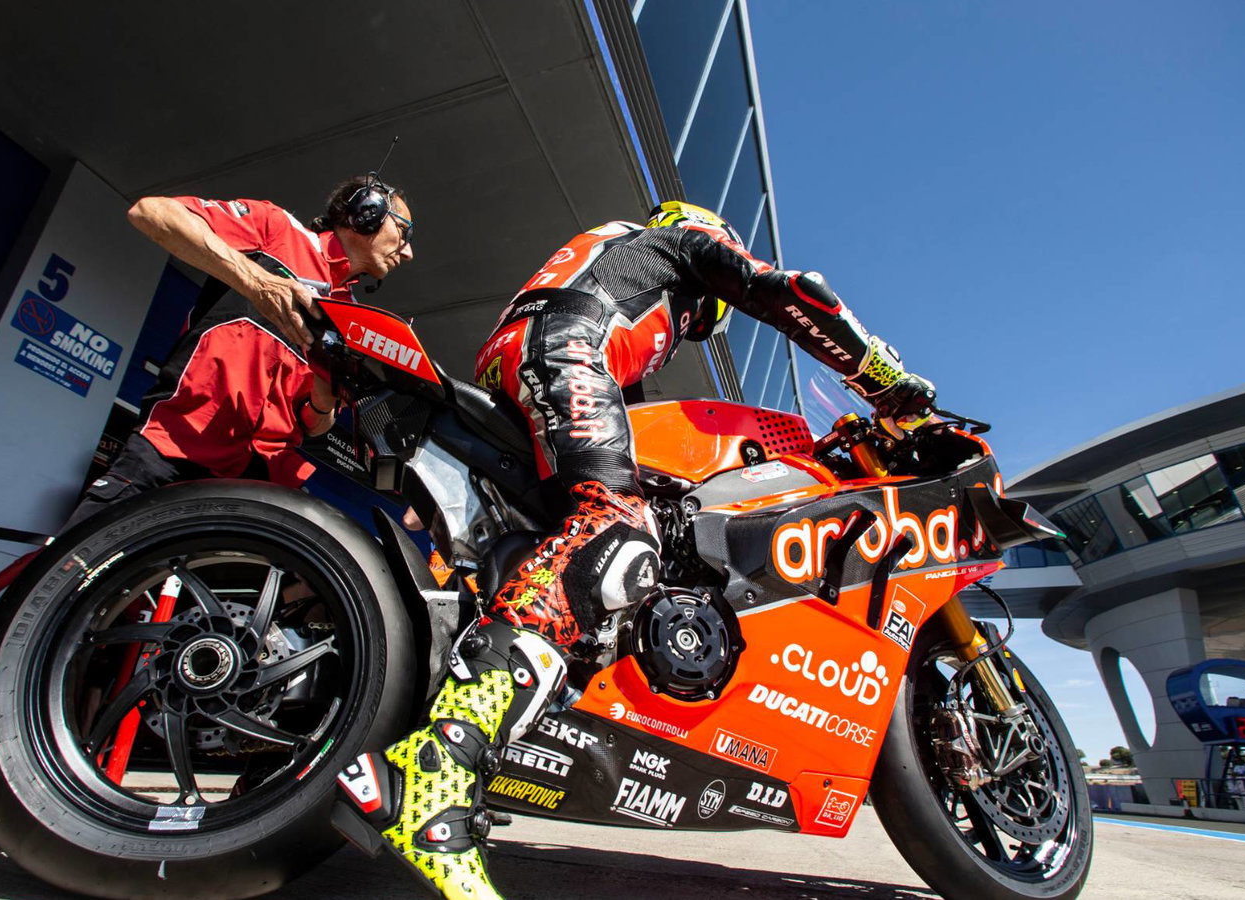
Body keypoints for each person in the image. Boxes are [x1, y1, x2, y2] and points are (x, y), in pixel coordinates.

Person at [340, 201, 934, 899]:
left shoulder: (619, 290)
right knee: (617, 541)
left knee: (601, 547)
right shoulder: (677, 242)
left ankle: (490, 726)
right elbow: (788, 292)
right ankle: (437, 771)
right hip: (564, 347)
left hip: (533, 358)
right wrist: (879, 377)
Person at [63, 175, 416, 529]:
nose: (408, 252)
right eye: (404, 232)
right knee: (79, 557)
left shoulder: (350, 319)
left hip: (258, 483)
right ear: (367, 212)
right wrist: (257, 281)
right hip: (177, 445)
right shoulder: (277, 228)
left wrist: (324, 399)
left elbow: (315, 426)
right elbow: (152, 213)